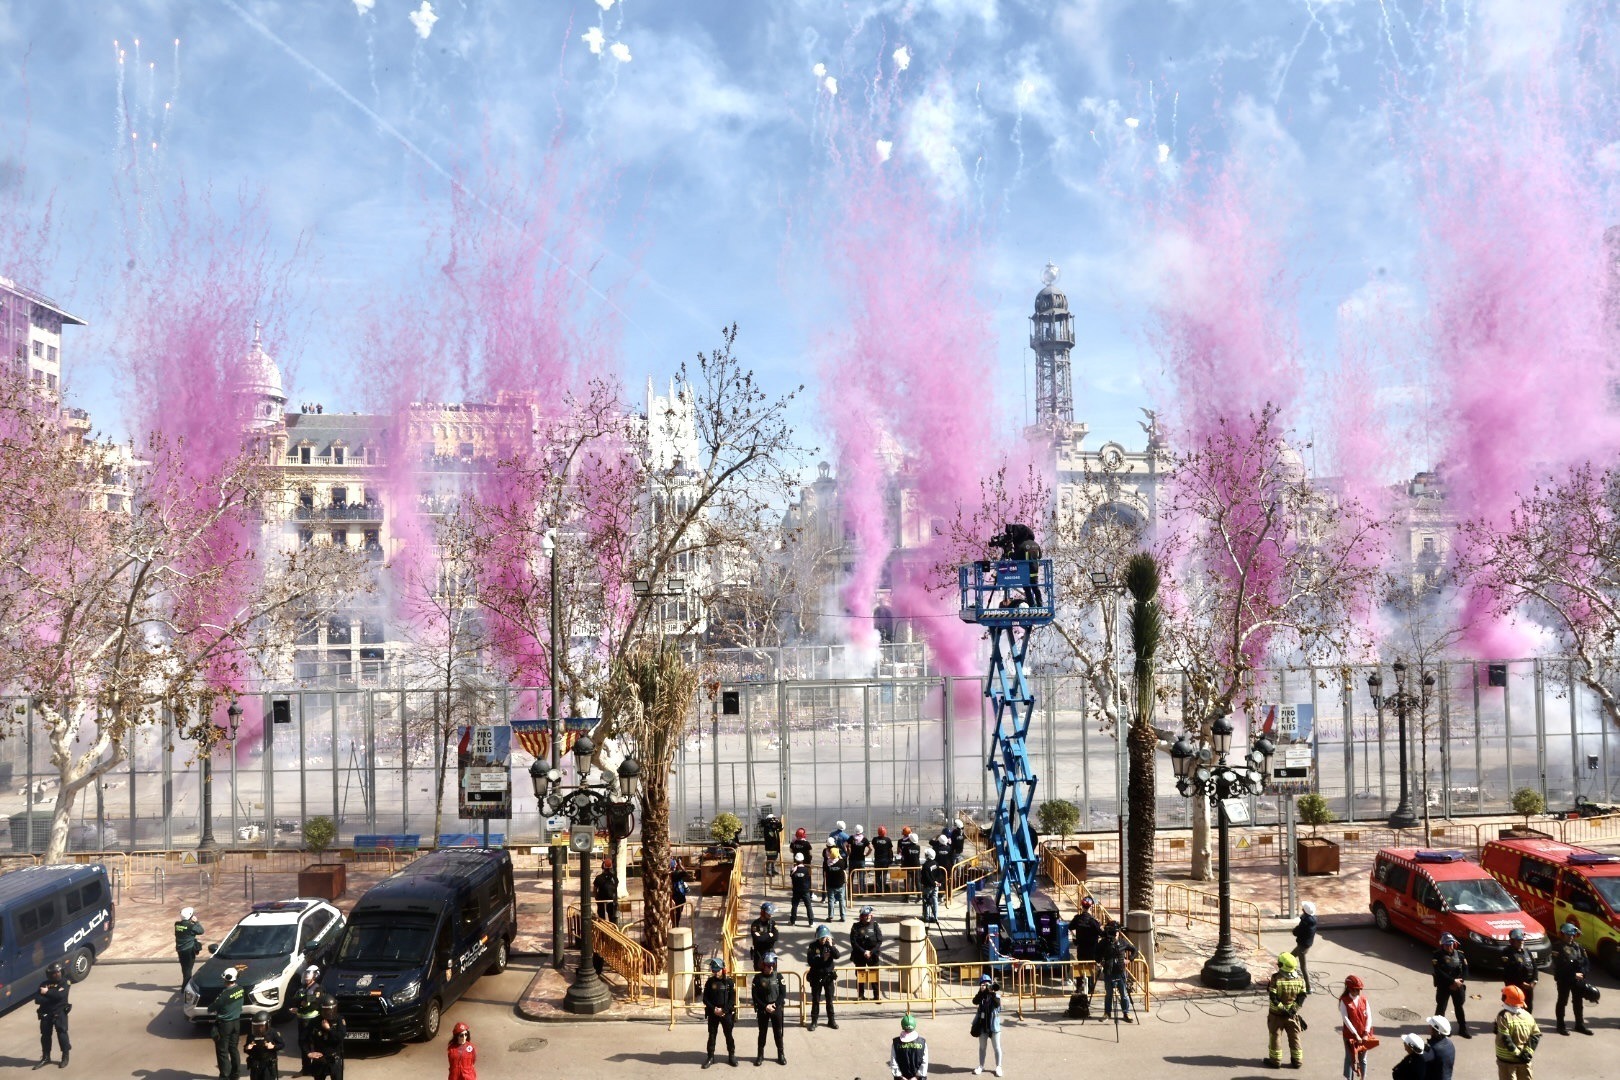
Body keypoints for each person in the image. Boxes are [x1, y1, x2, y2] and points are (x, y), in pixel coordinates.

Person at [1265, 951, 1307, 1070]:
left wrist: (1283, 1009)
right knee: (1294, 1036)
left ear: (1282, 965)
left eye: (1279, 963)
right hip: (1292, 1016)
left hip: (1276, 1015)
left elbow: (1273, 997)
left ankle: (1275, 1060)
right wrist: (1293, 1010)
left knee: (1275, 1036)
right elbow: (1302, 997)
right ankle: (1297, 1060)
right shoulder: (1300, 979)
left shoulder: (1276, 978)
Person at [1551, 921, 1592, 1035]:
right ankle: (1560, 1026)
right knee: (1562, 1001)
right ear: (1563, 934)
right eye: (1568, 935)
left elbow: (1586, 963)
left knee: (1578, 1002)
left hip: (1578, 980)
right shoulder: (1558, 947)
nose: (1571, 937)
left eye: (1572, 935)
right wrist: (1573, 975)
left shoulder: (1578, 947)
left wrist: (1582, 973)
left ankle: (1579, 1025)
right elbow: (1560, 966)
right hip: (1564, 979)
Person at [1494, 985, 1540, 1080]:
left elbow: (1505, 1038)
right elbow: (1536, 1035)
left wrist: (1517, 1053)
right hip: (1524, 1060)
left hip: (1506, 1061)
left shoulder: (1503, 1016)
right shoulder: (1528, 1016)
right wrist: (1527, 1053)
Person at [1431, 933, 1470, 1037]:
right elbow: (1438, 971)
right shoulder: (1437, 955)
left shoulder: (1460, 954)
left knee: (1459, 1007)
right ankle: (1438, 1030)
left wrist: (1460, 981)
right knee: (1441, 1008)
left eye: (1451, 944)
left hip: (1457, 985)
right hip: (1444, 986)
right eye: (1447, 945)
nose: (1449, 946)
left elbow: (1465, 970)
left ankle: (1463, 1029)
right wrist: (1452, 981)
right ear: (1443, 945)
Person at [751, 953, 787, 1066]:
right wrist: (765, 1006)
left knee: (778, 1032)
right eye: (769, 965)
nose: (771, 967)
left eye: (773, 965)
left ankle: (781, 1055)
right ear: (763, 965)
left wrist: (775, 1005)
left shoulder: (779, 977)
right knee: (762, 1033)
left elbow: (783, 994)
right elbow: (755, 996)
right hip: (763, 1009)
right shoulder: (757, 978)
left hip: (776, 1008)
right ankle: (760, 1055)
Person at [702, 958, 738, 1068]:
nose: (715, 973)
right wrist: (714, 1009)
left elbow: (732, 999)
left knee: (728, 1035)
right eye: (713, 970)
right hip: (713, 1013)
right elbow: (705, 999)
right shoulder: (710, 982)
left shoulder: (729, 982)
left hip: (725, 1013)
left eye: (717, 970)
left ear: (723, 969)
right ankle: (710, 1057)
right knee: (712, 1036)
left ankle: (731, 1056)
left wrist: (724, 1010)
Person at [34, 961, 70, 1070]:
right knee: (45, 1035)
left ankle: (65, 1056)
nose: (56, 975)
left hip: (59, 1012)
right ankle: (46, 1057)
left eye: (58, 972)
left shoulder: (65, 982)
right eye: (54, 973)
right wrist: (53, 994)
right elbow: (37, 999)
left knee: (62, 1034)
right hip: (46, 1013)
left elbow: (61, 995)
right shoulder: (43, 984)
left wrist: (47, 993)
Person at [213, 967, 247, 1080]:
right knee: (233, 1049)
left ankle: (224, 1076)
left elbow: (212, 1007)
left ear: (226, 979)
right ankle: (235, 1074)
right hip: (236, 1023)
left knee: (222, 1051)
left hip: (225, 1025)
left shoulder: (225, 994)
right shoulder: (241, 989)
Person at [1339, 975, 1373, 1080]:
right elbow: (1345, 1019)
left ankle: (1363, 1078)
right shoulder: (1344, 1001)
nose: (1358, 992)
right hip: (1350, 1036)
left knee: (1363, 1059)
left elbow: (1369, 1017)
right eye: (1356, 990)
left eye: (1359, 990)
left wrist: (1366, 1034)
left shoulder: (1364, 999)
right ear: (1349, 988)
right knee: (1350, 1059)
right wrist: (1355, 1035)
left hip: (1364, 1035)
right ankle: (1349, 1078)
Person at [806, 925, 840, 1031]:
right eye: (822, 937)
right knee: (816, 1000)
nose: (824, 939)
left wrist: (830, 945)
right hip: (816, 976)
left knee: (829, 1000)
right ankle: (814, 1021)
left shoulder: (830, 945)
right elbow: (810, 961)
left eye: (825, 937)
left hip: (828, 977)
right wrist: (822, 959)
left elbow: (837, 955)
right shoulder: (812, 946)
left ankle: (831, 1020)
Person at [291, 965, 323, 1076]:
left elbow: (315, 1002)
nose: (306, 977)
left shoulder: (318, 988)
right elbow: (295, 999)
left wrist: (302, 1002)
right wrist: (301, 1002)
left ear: (315, 975)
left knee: (315, 1044)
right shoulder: (302, 988)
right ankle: (306, 1069)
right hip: (301, 1019)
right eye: (306, 974)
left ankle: (317, 1068)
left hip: (313, 1020)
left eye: (309, 974)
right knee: (303, 1044)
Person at [1102, 924, 1137, 1022]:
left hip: (1120, 972)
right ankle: (1107, 1013)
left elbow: (1135, 950)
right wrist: (1100, 961)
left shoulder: (1122, 942)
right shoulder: (1104, 943)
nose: (1114, 935)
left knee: (1124, 994)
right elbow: (1096, 953)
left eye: (1115, 933)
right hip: (1108, 972)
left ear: (1118, 933)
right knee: (1108, 994)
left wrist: (1129, 959)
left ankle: (1126, 1013)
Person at [308, 995, 346, 1080]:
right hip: (320, 1058)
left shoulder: (339, 1020)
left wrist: (329, 1029)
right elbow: (305, 1039)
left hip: (334, 1058)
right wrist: (309, 1052)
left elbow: (340, 1037)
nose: (328, 1013)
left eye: (330, 1010)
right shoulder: (315, 1021)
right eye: (326, 1010)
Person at [972, 973, 1003, 1076]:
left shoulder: (995, 995)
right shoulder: (981, 996)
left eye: (988, 984)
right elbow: (974, 1001)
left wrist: (992, 992)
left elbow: (997, 1004)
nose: (986, 985)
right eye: (983, 984)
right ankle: (981, 1066)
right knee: (982, 1047)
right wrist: (981, 992)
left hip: (994, 1026)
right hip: (982, 1026)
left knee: (997, 1047)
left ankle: (998, 1067)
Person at [1501, 929, 1539, 1013]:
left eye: (1522, 940)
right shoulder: (1507, 952)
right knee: (1514, 1009)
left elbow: (1534, 967)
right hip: (1515, 987)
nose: (1521, 942)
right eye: (1518, 940)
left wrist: (1534, 981)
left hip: (1529, 985)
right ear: (1512, 941)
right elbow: (1509, 972)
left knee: (1528, 1007)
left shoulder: (1527, 951)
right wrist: (1521, 983)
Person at [852, 905, 885, 1000]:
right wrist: (864, 952)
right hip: (860, 955)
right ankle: (861, 995)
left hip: (873, 955)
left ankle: (876, 996)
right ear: (861, 916)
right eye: (865, 915)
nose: (867, 917)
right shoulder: (855, 927)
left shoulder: (875, 925)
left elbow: (879, 941)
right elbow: (853, 942)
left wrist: (871, 952)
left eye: (869, 915)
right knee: (860, 975)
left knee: (874, 976)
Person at [243, 1012, 284, 1080]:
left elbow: (282, 1044)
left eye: (261, 1026)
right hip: (255, 1064)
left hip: (268, 1064)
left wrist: (273, 1046)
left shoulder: (272, 1032)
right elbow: (246, 1049)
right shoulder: (251, 1034)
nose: (259, 1028)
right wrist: (247, 1048)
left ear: (267, 1024)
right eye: (256, 1026)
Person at [889, 1014, 928, 1080]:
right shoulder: (923, 1043)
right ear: (914, 1026)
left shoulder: (896, 1043)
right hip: (919, 1078)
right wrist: (916, 1077)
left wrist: (900, 1077)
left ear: (902, 1026)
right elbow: (925, 1062)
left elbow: (893, 1061)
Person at [175, 905, 206, 989]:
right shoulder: (191, 926)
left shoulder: (177, 924)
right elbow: (201, 931)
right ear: (190, 916)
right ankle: (185, 987)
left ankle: (185, 983)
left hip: (180, 950)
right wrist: (196, 922)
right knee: (188, 968)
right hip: (188, 950)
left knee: (184, 967)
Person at [1292, 901, 1317, 993]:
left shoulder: (1305, 923)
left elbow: (1296, 932)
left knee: (1303, 967)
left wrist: (1296, 928)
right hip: (1305, 946)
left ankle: (1308, 988)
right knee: (1290, 957)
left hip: (1302, 947)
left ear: (1304, 911)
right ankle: (1290, 976)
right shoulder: (1313, 919)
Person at [1070, 897, 1102, 967]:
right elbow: (1101, 933)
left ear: (1082, 907)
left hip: (1081, 949)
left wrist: (1074, 936)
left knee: (1081, 968)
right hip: (1092, 950)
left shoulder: (1077, 919)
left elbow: (1070, 927)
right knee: (1091, 970)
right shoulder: (1093, 921)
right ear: (1090, 907)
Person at [749, 903, 780, 971]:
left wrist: (763, 937)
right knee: (759, 975)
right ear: (763, 913)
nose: (770, 915)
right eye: (768, 913)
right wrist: (769, 935)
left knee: (773, 974)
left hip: (770, 952)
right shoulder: (755, 924)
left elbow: (775, 938)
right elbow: (758, 939)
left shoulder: (773, 923)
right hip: (759, 953)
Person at [823, 841, 848, 922]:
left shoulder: (827, 864)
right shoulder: (841, 862)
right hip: (840, 884)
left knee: (831, 900)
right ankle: (843, 916)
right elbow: (845, 867)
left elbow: (825, 869)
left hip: (830, 884)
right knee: (842, 900)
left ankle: (830, 916)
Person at [1424, 1015, 1455, 1080]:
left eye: (1430, 1025)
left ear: (1436, 1030)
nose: (1429, 1026)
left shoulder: (1431, 1049)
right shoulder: (1450, 1043)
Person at [920, 849, 946, 924]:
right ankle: (935, 917)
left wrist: (933, 883)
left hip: (928, 886)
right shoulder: (936, 863)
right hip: (935, 886)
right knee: (934, 901)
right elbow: (939, 875)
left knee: (926, 902)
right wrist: (937, 883)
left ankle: (926, 917)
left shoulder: (925, 865)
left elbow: (926, 877)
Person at [789, 853, 814, 926]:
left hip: (796, 890)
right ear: (803, 860)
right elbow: (809, 879)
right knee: (808, 906)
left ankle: (792, 921)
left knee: (795, 905)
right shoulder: (806, 870)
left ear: (795, 860)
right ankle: (811, 922)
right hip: (805, 890)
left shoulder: (793, 870)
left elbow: (791, 876)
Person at [594, 859, 619, 925]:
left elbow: (595, 889)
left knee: (601, 917)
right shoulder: (614, 878)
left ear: (603, 867)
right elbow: (616, 887)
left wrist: (596, 898)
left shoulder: (598, 878)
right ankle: (613, 931)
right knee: (612, 917)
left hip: (601, 900)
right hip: (611, 900)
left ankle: (602, 931)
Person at [872, 825, 895, 894]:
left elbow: (874, 846)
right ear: (885, 832)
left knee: (877, 875)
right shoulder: (888, 840)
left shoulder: (875, 839)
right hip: (885, 860)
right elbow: (890, 850)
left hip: (878, 860)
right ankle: (883, 890)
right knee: (884, 875)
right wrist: (891, 858)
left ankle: (878, 891)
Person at [760, 814, 784, 879]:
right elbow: (770, 834)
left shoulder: (774, 826)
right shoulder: (767, 826)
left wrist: (778, 822)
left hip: (775, 845)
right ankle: (768, 871)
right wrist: (771, 823)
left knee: (774, 858)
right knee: (770, 858)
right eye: (772, 819)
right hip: (770, 846)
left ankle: (773, 870)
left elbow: (780, 828)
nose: (773, 820)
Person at [672, 857, 692, 928]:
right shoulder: (674, 874)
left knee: (678, 912)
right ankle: (676, 925)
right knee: (677, 913)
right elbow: (686, 873)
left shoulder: (676, 873)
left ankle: (676, 924)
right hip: (677, 897)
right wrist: (680, 865)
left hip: (680, 896)